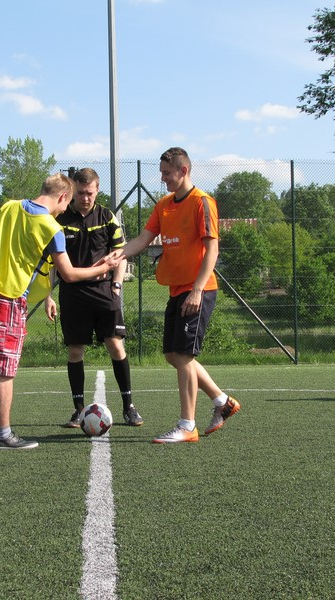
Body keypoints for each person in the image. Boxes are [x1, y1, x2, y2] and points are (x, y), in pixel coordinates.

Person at [0, 173, 120, 450]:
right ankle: (3, 434)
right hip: (8, 296)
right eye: (67, 203)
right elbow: (69, 274)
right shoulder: (51, 227)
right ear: (63, 196)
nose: (65, 209)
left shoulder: (8, 206)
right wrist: (105, 267)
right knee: (5, 368)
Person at [109, 147, 240, 443]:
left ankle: (187, 426)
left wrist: (197, 290)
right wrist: (117, 255)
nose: (163, 179)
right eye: (162, 173)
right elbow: (144, 239)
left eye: (167, 173)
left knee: (183, 356)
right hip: (176, 289)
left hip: (198, 290)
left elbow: (212, 250)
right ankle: (222, 402)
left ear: (183, 171)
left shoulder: (202, 202)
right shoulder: (164, 204)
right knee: (172, 355)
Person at [44, 167, 144, 428]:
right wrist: (48, 296)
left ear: (97, 190)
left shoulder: (107, 217)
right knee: (75, 350)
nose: (85, 198)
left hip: (104, 292)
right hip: (72, 293)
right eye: (80, 193)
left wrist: (117, 286)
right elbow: (51, 263)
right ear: (72, 191)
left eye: (89, 193)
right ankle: (79, 410)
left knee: (116, 345)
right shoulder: (60, 218)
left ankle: (129, 407)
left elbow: (121, 254)